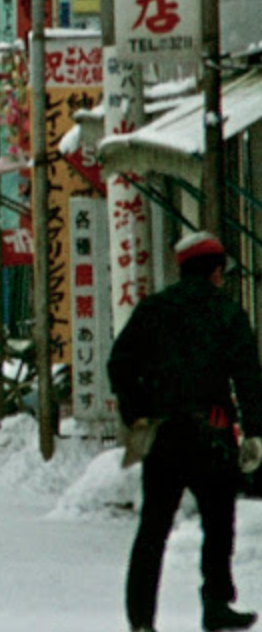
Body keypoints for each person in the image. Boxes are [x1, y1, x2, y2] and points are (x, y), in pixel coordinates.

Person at [108, 232, 262, 632]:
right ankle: (215, 605)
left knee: (154, 528)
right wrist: (254, 432)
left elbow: (119, 363)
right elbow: (248, 377)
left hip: (164, 435)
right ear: (214, 271)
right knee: (218, 523)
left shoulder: (152, 310)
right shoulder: (227, 312)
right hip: (212, 431)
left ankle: (141, 618)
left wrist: (137, 410)